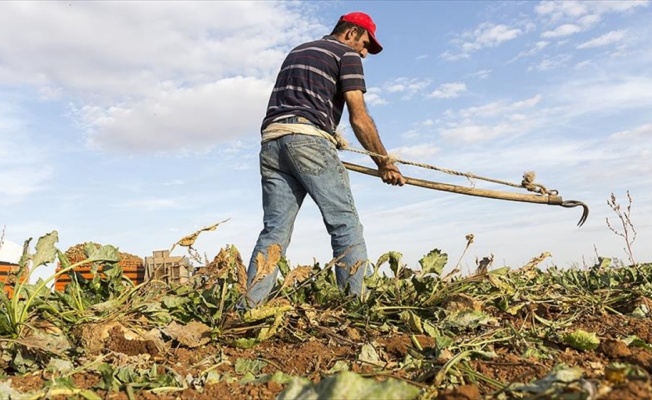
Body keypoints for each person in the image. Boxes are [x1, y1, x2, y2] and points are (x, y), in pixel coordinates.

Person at [243, 11, 405, 308]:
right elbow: (359, 115)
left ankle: (247, 308)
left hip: (272, 141)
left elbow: (302, 101)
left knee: (274, 232)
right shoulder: (346, 54)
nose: (365, 53)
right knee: (345, 225)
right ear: (351, 33)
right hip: (307, 140)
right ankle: (354, 308)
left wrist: (328, 134)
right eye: (366, 43)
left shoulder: (299, 51)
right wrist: (384, 163)